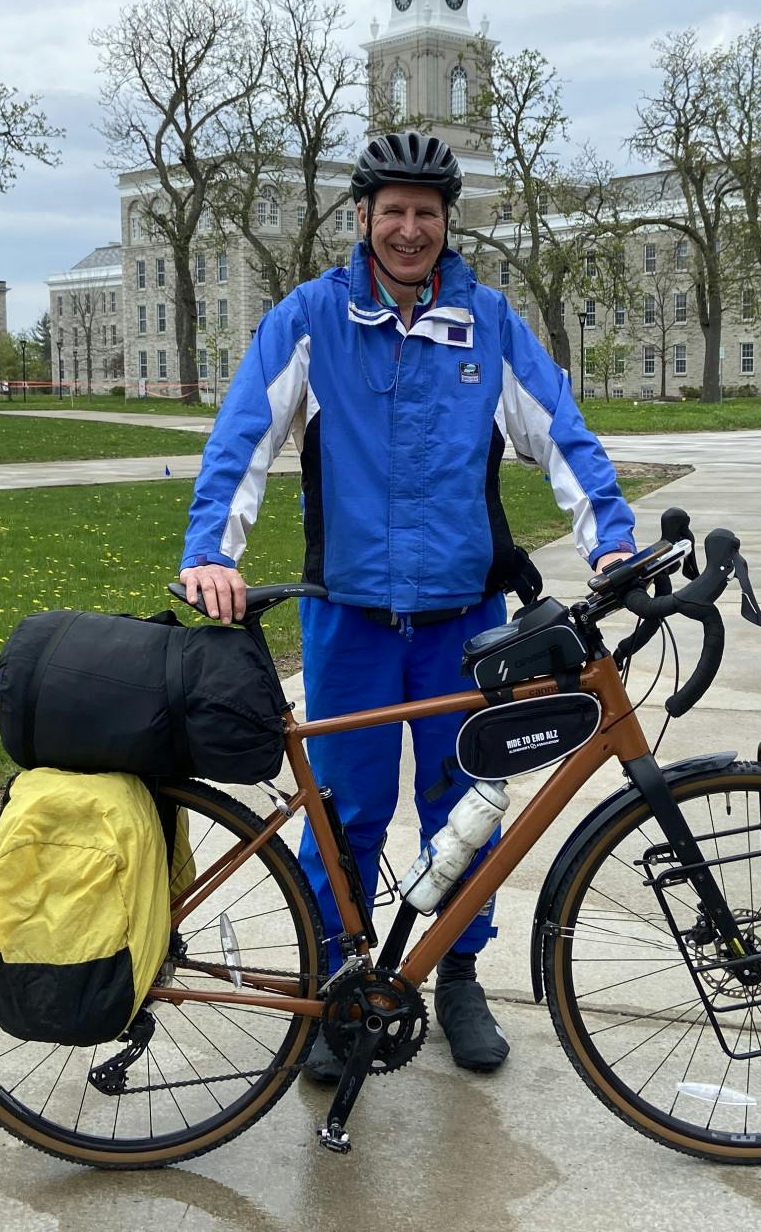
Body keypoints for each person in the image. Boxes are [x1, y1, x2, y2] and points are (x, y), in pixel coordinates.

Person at [180, 131, 635, 1083]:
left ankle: (458, 975)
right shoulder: (313, 317)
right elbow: (243, 435)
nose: (410, 228)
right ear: (363, 219)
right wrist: (209, 556)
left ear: (445, 222)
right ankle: (334, 982)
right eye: (393, 211)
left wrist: (611, 538)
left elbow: (562, 434)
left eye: (426, 212)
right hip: (347, 616)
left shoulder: (489, 323)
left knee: (464, 806)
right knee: (343, 809)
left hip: (461, 623)